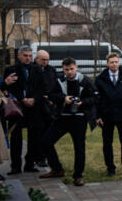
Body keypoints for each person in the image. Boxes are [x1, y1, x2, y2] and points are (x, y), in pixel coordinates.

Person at [40, 57, 96, 186]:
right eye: (66, 69)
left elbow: (95, 98)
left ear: (76, 67)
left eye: (71, 69)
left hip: (79, 118)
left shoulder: (85, 80)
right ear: (63, 69)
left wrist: (82, 102)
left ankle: (78, 176)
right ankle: (57, 168)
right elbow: (51, 95)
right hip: (62, 118)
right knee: (46, 141)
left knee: (79, 147)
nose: (69, 72)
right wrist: (64, 98)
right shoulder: (59, 80)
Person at [94, 53, 122, 176]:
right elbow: (96, 100)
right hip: (106, 116)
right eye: (111, 62)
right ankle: (110, 169)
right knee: (107, 144)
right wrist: (97, 116)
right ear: (107, 64)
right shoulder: (100, 79)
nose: (114, 64)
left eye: (116, 62)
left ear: (119, 63)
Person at [1, 47, 39, 174]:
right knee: (16, 138)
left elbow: (42, 87)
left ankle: (30, 164)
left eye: (30, 55)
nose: (28, 58)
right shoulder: (10, 70)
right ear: (19, 56)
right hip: (16, 108)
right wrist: (22, 99)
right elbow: (6, 89)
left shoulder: (36, 69)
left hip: (33, 108)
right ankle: (15, 166)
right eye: (25, 55)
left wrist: (34, 99)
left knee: (33, 138)